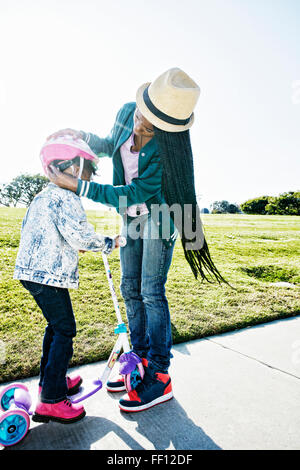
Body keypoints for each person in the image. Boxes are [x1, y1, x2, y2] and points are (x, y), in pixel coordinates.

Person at [47, 68, 227, 413]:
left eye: (154, 123)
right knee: (130, 288)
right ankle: (140, 359)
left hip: (161, 215)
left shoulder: (166, 147)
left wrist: (80, 186)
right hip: (131, 218)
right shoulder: (126, 111)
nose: (143, 124)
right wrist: (80, 135)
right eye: (145, 115)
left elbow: (134, 192)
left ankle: (160, 374)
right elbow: (108, 144)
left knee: (150, 290)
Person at [14, 136, 120, 423]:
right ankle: (50, 400)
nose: (89, 179)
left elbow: (54, 232)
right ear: (72, 168)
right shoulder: (67, 197)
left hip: (32, 272)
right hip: (48, 274)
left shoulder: (43, 195)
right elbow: (79, 235)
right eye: (87, 172)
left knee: (55, 326)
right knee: (65, 330)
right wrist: (111, 242)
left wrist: (76, 243)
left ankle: (52, 381)